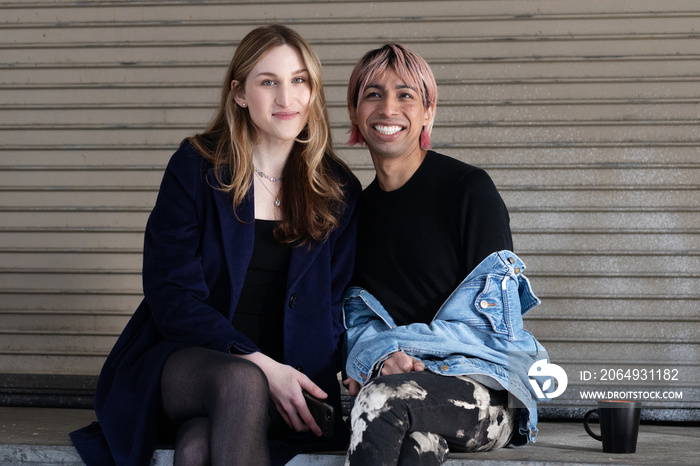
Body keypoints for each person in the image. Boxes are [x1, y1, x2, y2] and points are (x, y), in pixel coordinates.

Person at [70, 24, 361, 466]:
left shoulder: (337, 189)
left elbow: (336, 306)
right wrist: (263, 366)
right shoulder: (197, 167)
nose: (287, 99)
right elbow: (171, 294)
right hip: (189, 367)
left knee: (198, 447)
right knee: (240, 383)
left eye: (299, 80)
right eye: (269, 82)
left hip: (288, 384)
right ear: (240, 93)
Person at [341, 43, 548, 465]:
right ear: (355, 111)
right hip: (408, 394)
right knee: (417, 444)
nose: (388, 108)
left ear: (428, 111)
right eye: (373, 94)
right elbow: (354, 320)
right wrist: (382, 358)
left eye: (405, 95)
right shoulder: (353, 215)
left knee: (381, 399)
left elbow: (495, 329)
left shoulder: (468, 191)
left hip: (485, 396)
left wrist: (393, 355)